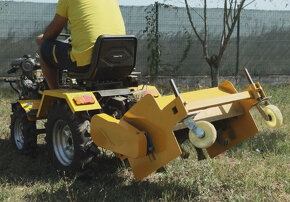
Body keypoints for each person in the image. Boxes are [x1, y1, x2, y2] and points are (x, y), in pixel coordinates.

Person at [36, 0, 126, 89]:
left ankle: (54, 94)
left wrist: (43, 39)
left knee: (44, 48)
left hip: (88, 63)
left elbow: (52, 33)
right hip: (121, 61)